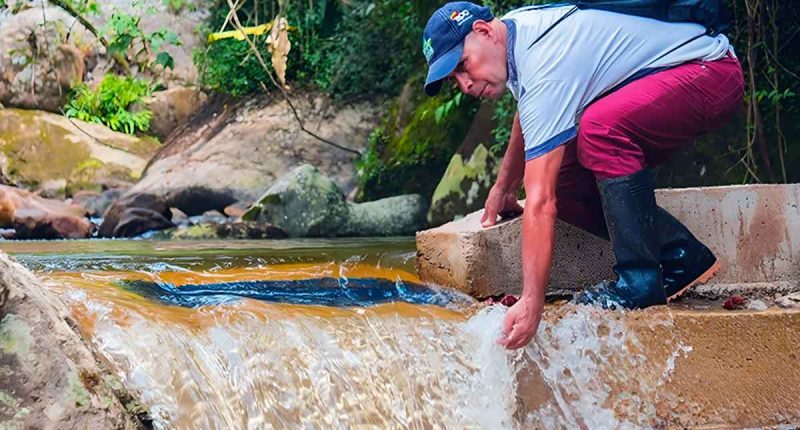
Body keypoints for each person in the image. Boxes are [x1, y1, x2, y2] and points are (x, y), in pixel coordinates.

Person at [421, 2, 744, 349]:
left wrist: (531, 301)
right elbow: (528, 111)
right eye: (455, 79)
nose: (465, 84)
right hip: (676, 79)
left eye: (463, 65)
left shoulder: (544, 60)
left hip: (709, 73)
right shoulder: (513, 33)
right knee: (565, 177)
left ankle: (640, 280)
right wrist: (504, 186)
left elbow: (541, 203)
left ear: (484, 31)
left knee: (600, 129)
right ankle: (681, 255)